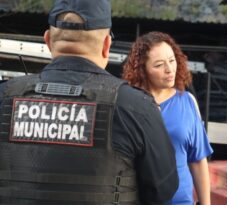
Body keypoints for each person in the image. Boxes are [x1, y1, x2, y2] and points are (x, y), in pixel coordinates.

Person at [0, 1, 178, 205]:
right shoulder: (135, 106)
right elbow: (163, 189)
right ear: (106, 46)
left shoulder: (5, 96)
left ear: (48, 41)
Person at [122, 31, 213, 205]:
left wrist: (205, 203)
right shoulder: (128, 103)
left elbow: (197, 160)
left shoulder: (187, 101)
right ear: (143, 69)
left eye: (172, 61)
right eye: (158, 65)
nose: (169, 69)